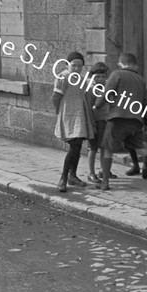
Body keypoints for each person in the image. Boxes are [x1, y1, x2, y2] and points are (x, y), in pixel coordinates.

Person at [94, 53, 147, 190]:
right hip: (136, 120)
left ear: (120, 63)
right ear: (135, 65)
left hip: (118, 118)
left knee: (108, 149)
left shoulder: (117, 74)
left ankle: (104, 182)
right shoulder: (140, 79)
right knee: (140, 148)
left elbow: (107, 92)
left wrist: (97, 105)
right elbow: (146, 101)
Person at [52, 51, 95, 192]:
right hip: (67, 115)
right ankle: (64, 177)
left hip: (80, 115)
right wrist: (58, 113)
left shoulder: (82, 80)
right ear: (67, 65)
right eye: (74, 65)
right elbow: (56, 97)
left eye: (80, 66)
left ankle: (73, 176)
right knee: (74, 146)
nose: (76, 68)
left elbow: (86, 97)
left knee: (77, 146)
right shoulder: (63, 77)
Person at [85, 62, 116, 183]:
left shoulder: (107, 88)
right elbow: (89, 108)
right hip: (96, 122)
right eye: (97, 77)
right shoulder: (91, 90)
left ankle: (104, 170)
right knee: (93, 149)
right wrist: (92, 124)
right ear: (92, 77)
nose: (100, 79)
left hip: (106, 121)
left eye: (103, 76)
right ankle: (91, 173)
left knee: (105, 147)